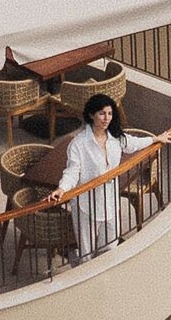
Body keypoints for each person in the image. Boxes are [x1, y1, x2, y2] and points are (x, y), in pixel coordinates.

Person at [54, 91, 146, 259]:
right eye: (102, 113)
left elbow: (134, 143)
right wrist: (62, 188)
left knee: (110, 244)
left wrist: (156, 140)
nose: (106, 118)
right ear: (91, 114)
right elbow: (72, 171)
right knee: (86, 251)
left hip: (109, 199)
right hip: (86, 203)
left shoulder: (116, 137)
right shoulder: (78, 144)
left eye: (110, 113)